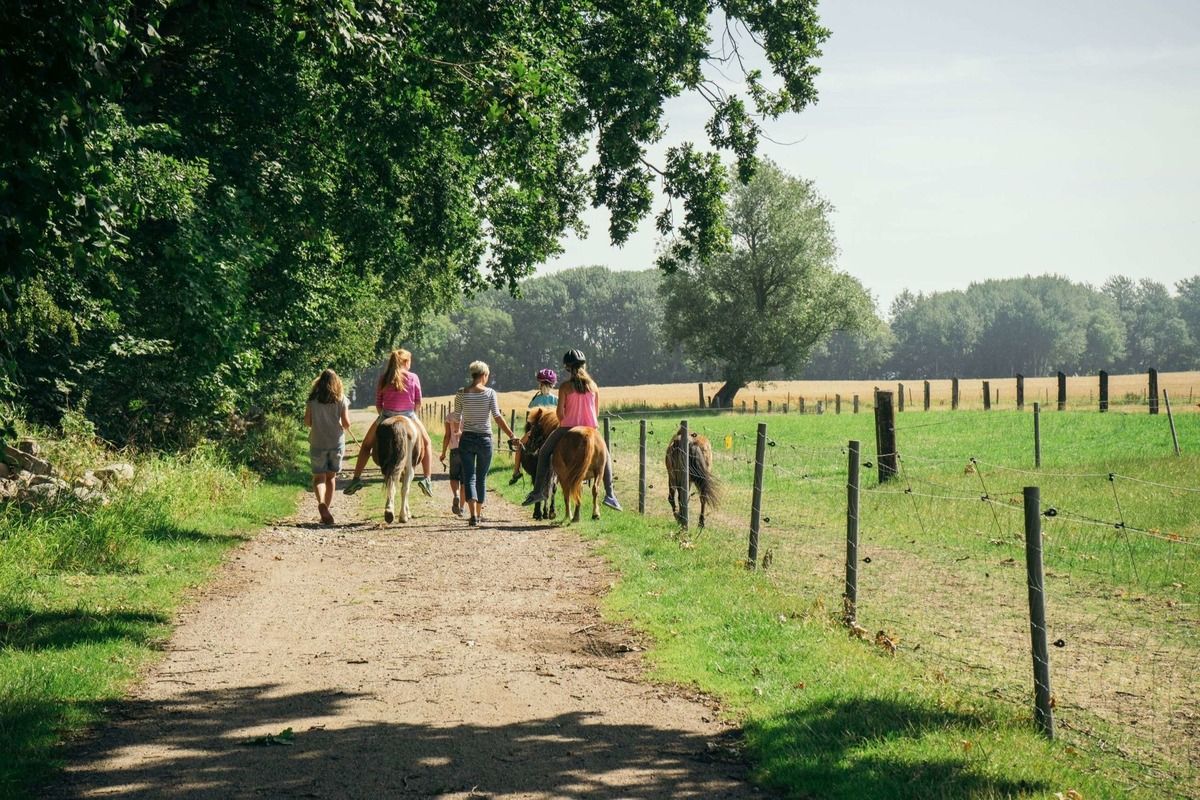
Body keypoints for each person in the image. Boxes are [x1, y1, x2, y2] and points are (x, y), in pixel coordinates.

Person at [521, 350, 622, 511]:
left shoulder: (565, 387)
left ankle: (538, 491)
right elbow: (595, 413)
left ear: (567, 368)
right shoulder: (594, 387)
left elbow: (560, 413)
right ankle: (610, 495)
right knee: (606, 456)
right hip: (591, 429)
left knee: (544, 453)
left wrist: (566, 423)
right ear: (584, 365)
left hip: (567, 427)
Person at [344, 349, 434, 497]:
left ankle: (356, 478)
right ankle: (427, 479)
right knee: (427, 442)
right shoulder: (413, 377)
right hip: (409, 415)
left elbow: (379, 404)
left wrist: (383, 417)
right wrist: (413, 414)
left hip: (386, 415)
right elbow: (418, 402)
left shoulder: (384, 378)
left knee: (366, 445)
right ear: (406, 362)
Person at [455, 360, 517, 526]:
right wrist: (511, 435)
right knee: (481, 478)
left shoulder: (461, 393)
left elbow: (456, 417)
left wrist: (456, 433)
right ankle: (479, 513)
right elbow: (497, 416)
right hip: (485, 440)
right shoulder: (490, 393)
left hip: (466, 439)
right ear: (484, 375)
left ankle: (473, 514)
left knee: (469, 477)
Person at [304, 368, 352, 525]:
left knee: (319, 477)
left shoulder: (312, 400)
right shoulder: (341, 399)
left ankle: (321, 503)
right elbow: (346, 423)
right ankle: (327, 509)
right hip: (335, 443)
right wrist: (341, 423)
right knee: (331, 478)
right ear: (336, 383)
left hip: (318, 442)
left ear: (319, 383)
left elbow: (307, 422)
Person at [509, 368, 558, 484]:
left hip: (535, 433)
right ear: (553, 385)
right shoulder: (557, 399)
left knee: (520, 446)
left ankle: (516, 471)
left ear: (540, 384)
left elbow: (530, 420)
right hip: (553, 432)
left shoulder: (535, 400)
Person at [440, 407, 466, 516]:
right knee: (465, 481)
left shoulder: (449, 416)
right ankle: (461, 508)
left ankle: (456, 495)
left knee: (454, 477)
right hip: (467, 452)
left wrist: (443, 453)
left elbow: (447, 436)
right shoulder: (469, 416)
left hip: (454, 451)